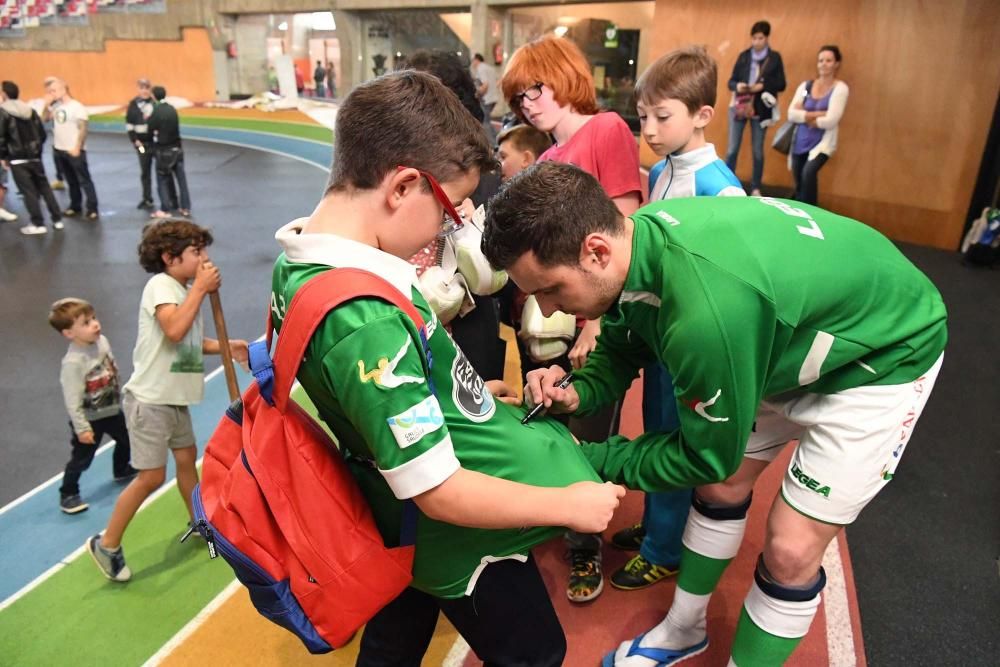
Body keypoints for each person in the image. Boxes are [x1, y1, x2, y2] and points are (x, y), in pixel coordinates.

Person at [483, 162, 947, 666]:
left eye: (550, 289)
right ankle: (684, 629)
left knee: (790, 549)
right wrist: (575, 392)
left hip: (881, 356)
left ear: (595, 251)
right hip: (787, 335)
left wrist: (581, 460)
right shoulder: (639, 240)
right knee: (722, 491)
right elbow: (621, 346)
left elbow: (706, 458)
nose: (548, 311)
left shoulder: (704, 317)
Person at [270, 70, 624, 666]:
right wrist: (570, 508)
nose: (450, 224)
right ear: (403, 186)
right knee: (536, 651)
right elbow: (436, 490)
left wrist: (449, 390)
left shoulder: (308, 265)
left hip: (399, 516)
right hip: (454, 538)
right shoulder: (364, 321)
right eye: (448, 208)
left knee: (394, 639)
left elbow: (372, 400)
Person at [501, 33, 642, 603]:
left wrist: (596, 323)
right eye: (519, 97)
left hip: (592, 317)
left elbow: (623, 226)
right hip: (546, 325)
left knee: (589, 429)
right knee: (554, 423)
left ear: (562, 76)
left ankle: (586, 547)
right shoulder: (550, 158)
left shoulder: (606, 129)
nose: (528, 103)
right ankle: (566, 524)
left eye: (534, 88)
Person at [609, 45, 747, 595]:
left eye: (661, 117)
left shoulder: (719, 187)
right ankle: (661, 525)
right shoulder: (664, 168)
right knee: (658, 428)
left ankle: (665, 549)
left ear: (702, 115)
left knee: (675, 437)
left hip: (690, 340)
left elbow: (734, 272)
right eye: (642, 116)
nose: (648, 128)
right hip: (661, 332)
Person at [86, 220, 249, 582]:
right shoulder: (161, 285)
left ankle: (201, 524)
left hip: (173, 400)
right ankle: (107, 543)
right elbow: (174, 330)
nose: (205, 258)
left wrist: (227, 345)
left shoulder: (182, 289)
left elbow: (187, 343)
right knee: (151, 476)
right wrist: (202, 290)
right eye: (196, 252)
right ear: (169, 257)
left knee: (188, 460)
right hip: (151, 400)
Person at [49, 298, 136, 515]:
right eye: (86, 323)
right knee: (82, 459)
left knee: (127, 440)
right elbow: (72, 400)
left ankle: (121, 469)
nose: (95, 324)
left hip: (112, 410)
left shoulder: (102, 342)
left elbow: (111, 369)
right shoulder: (73, 363)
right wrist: (82, 428)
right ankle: (68, 492)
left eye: (94, 319)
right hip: (90, 419)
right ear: (69, 333)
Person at [724, 20, 786, 196]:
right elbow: (731, 82)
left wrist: (763, 86)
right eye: (754, 38)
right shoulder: (744, 56)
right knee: (732, 149)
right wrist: (739, 86)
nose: (757, 42)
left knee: (758, 151)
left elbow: (781, 83)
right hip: (739, 106)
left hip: (760, 109)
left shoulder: (774, 58)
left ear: (766, 38)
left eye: (760, 38)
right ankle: (726, 185)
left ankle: (756, 187)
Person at [787, 45, 849, 205]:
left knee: (809, 173)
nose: (824, 64)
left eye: (828, 60)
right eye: (821, 60)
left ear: (836, 64)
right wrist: (819, 114)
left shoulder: (840, 89)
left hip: (822, 144)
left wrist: (805, 115)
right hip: (800, 141)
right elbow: (791, 114)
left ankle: (813, 215)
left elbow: (831, 120)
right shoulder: (805, 87)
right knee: (799, 183)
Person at [0, 80, 63, 234]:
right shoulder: (30, 110)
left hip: (17, 158)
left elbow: (1, 137)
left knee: (28, 191)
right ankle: (57, 219)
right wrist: (37, 151)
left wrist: (4, 157)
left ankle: (38, 223)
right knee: (44, 187)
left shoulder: (3, 112)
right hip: (35, 157)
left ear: (5, 94)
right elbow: (41, 134)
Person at [42, 77, 99, 220]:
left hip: (74, 150)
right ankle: (75, 205)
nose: (52, 94)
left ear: (63, 89)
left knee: (84, 180)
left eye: (54, 91)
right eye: (50, 91)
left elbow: (83, 128)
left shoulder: (77, 107)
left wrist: (77, 147)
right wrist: (46, 105)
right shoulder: (55, 107)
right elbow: (44, 119)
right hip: (59, 149)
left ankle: (92, 208)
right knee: (70, 180)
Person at [147, 86, 191, 218]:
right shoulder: (172, 109)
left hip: (163, 150)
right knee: (181, 180)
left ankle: (165, 209)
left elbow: (150, 129)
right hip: (177, 149)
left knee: (162, 180)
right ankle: (185, 207)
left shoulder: (156, 111)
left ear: (154, 96)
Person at [125, 78, 156, 210]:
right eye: (142, 88)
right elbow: (129, 125)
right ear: (138, 89)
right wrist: (135, 140)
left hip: (155, 144)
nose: (144, 91)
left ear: (150, 89)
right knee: (145, 171)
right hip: (142, 145)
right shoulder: (133, 105)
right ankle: (147, 198)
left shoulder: (155, 104)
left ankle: (170, 198)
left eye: (147, 88)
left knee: (163, 171)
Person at [471, 52, 499, 141]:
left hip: (486, 99)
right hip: (493, 97)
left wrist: (477, 93)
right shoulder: (490, 68)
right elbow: (497, 82)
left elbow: (485, 84)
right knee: (487, 120)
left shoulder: (481, 68)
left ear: (476, 60)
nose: (473, 64)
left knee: (485, 122)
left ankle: (493, 143)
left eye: (473, 61)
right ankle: (496, 138)